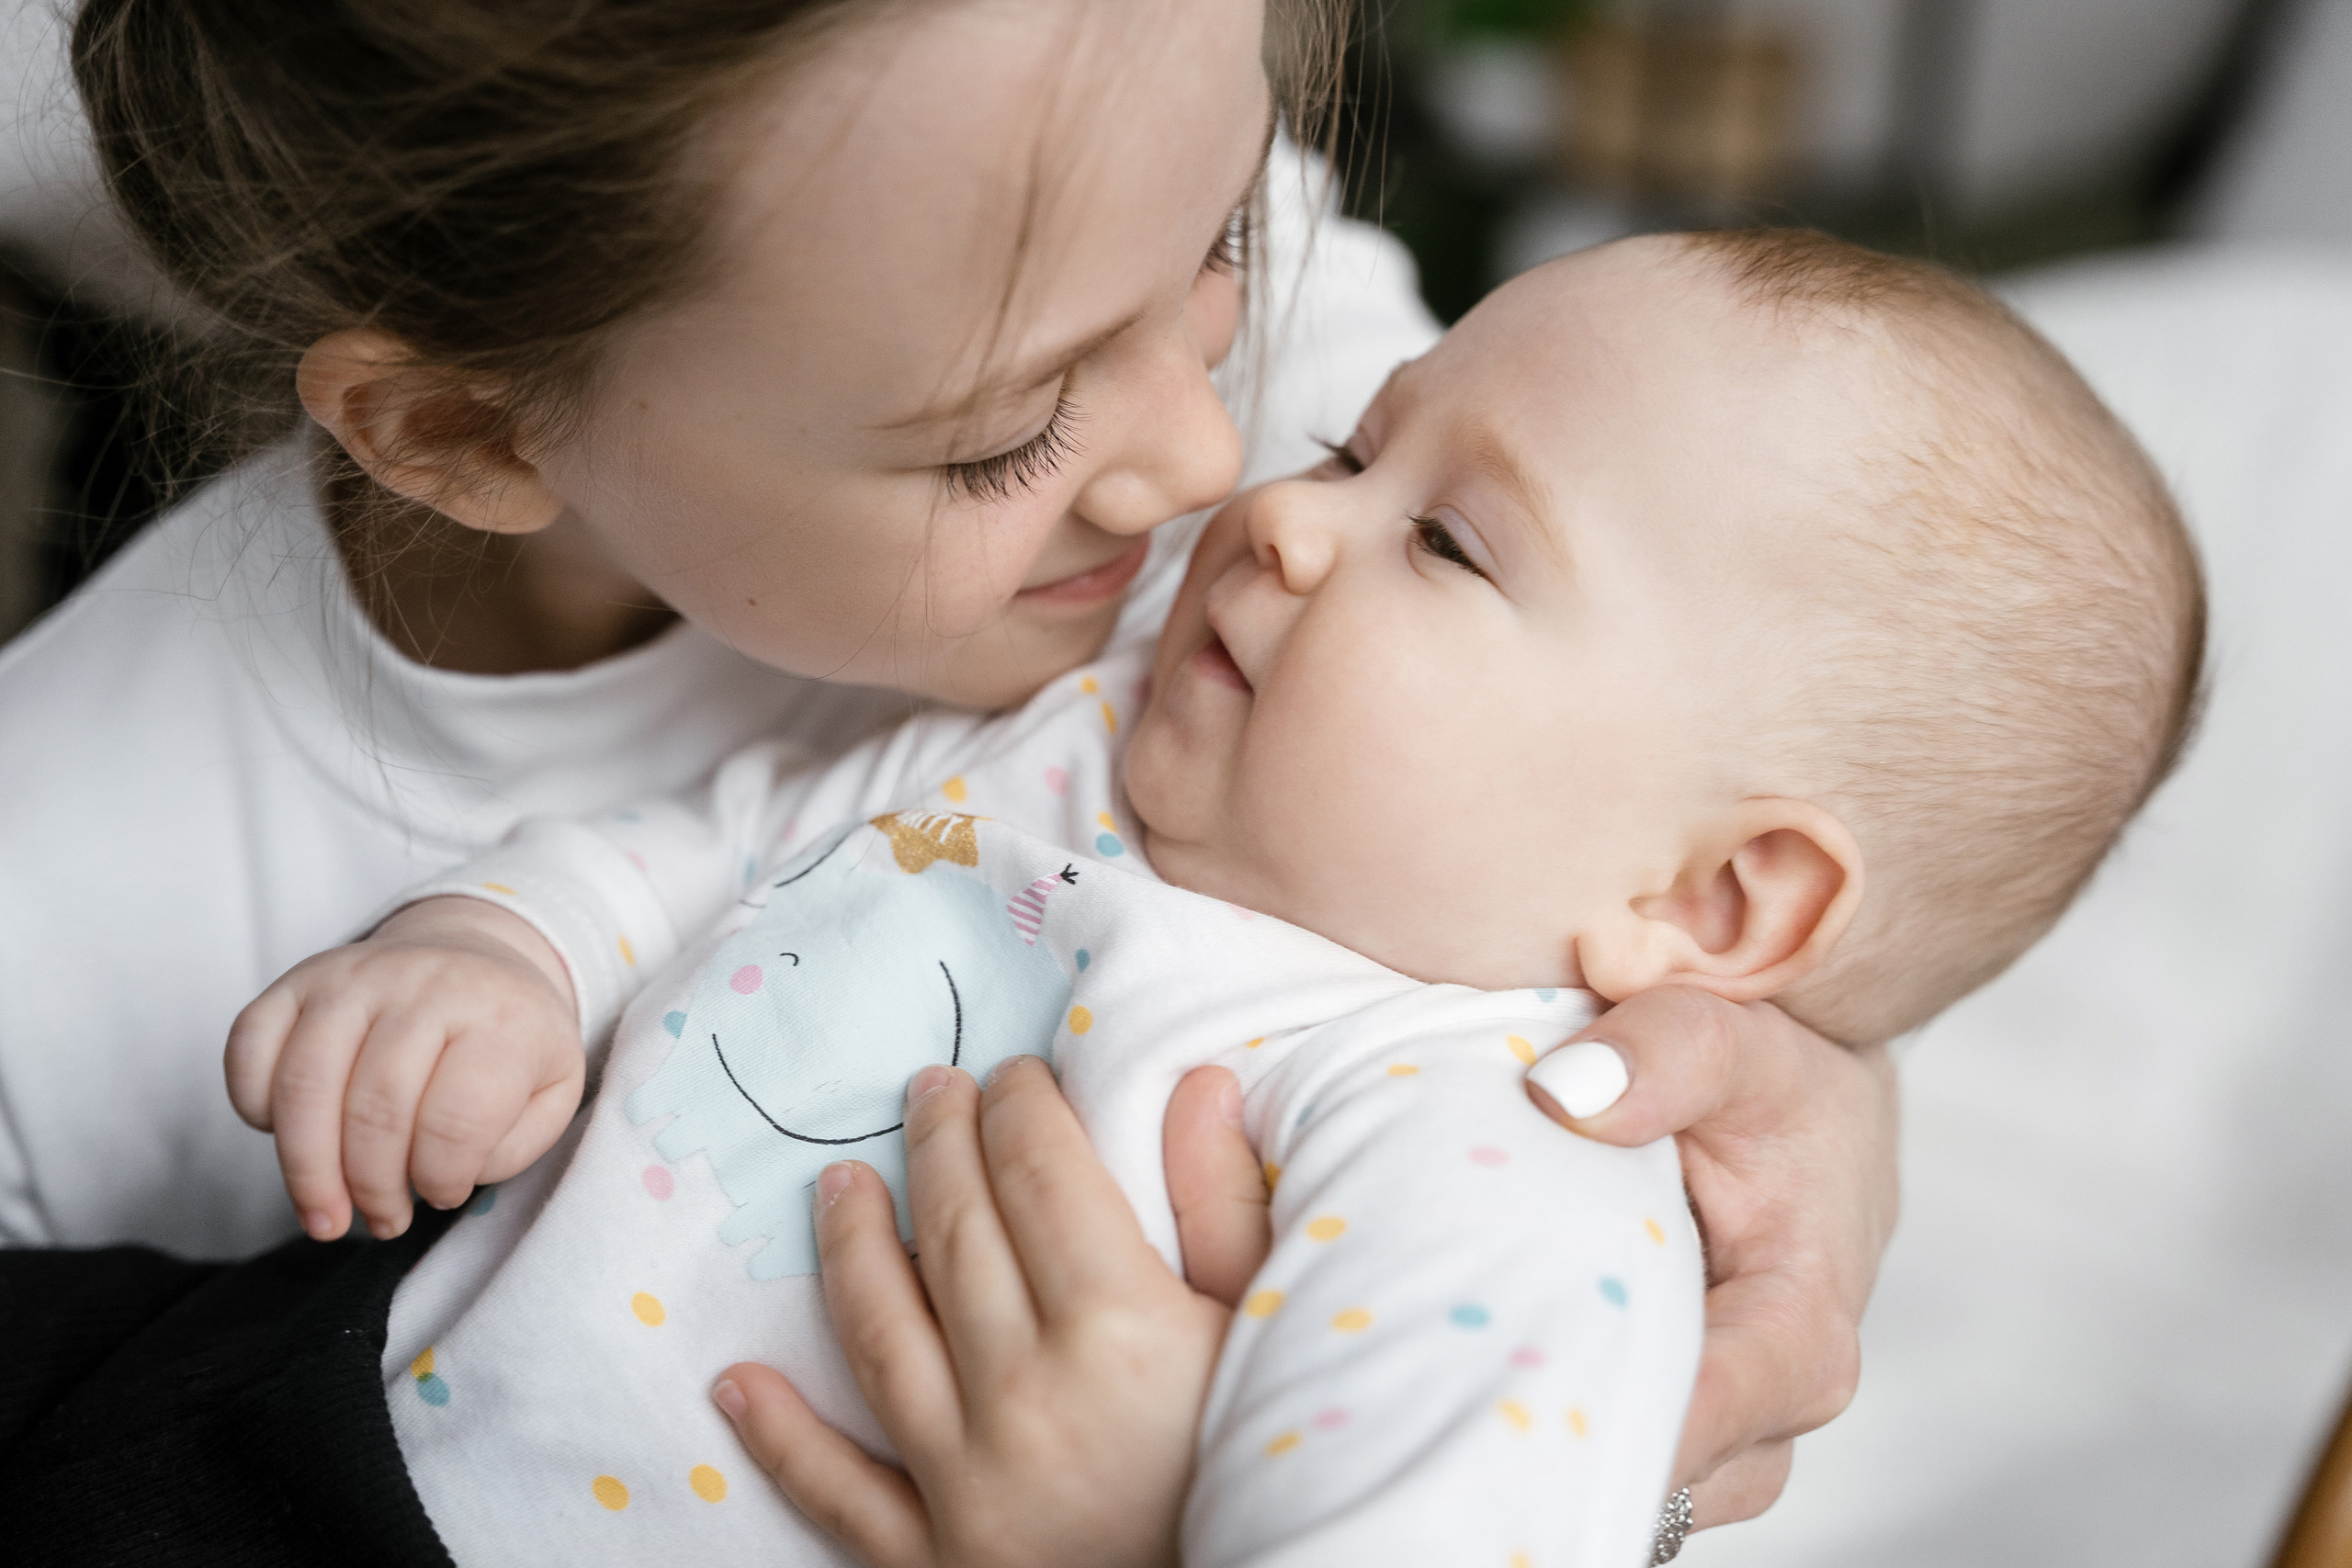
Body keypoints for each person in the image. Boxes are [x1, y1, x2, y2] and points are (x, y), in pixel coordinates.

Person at [0, 0, 1890, 1543]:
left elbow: (1707, 708)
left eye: (1225, 244)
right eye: (1001, 434)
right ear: (464, 430)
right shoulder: (73, 902)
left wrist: (1805, 1064)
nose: (1208, 462)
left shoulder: (1104, 201)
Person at [219, 231, 2205, 1566]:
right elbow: (744, 833)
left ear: (1707, 896)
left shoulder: (1483, 1154)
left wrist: (1150, 1526)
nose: (1276, 506)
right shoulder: (1098, 740)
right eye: (1355, 436)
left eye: (1441, 537)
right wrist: (509, 947)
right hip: (305, 1374)